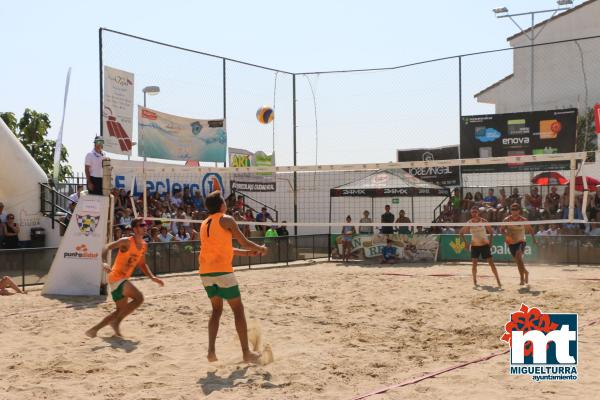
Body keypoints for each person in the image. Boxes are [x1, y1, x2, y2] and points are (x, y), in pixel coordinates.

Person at [199, 191, 267, 363]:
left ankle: (211, 352)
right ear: (222, 205)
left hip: (206, 272)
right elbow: (243, 241)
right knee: (238, 309)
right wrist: (260, 248)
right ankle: (246, 353)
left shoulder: (204, 224)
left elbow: (226, 249)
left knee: (216, 311)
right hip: (222, 271)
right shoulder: (227, 219)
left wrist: (248, 254)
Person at [86, 218, 164, 338]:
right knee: (139, 298)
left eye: (145, 225)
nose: (145, 227)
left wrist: (152, 277)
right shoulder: (126, 241)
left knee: (120, 311)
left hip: (119, 280)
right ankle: (115, 322)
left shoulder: (144, 245)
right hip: (117, 277)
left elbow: (142, 264)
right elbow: (106, 247)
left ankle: (94, 330)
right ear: (134, 229)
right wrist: (104, 262)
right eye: (142, 225)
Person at [459, 206, 501, 288]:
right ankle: (475, 281)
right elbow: (461, 233)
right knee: (474, 264)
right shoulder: (469, 222)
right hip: (475, 245)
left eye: (475, 212)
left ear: (478, 213)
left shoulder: (483, 221)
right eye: (472, 212)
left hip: (484, 245)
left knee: (491, 263)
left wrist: (490, 243)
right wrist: (466, 244)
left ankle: (498, 280)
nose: (474, 213)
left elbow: (491, 232)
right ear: (471, 213)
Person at [501, 203, 537, 286]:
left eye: (516, 209)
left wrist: (534, 239)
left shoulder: (523, 220)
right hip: (511, 242)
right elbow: (502, 229)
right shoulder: (507, 219)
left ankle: (522, 279)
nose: (514, 211)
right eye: (512, 209)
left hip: (521, 241)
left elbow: (531, 230)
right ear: (510, 210)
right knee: (518, 261)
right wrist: (506, 236)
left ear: (519, 210)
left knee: (518, 257)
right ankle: (526, 272)